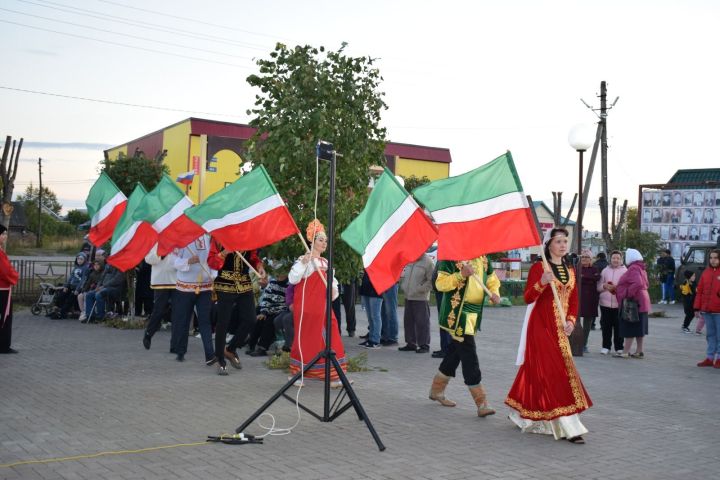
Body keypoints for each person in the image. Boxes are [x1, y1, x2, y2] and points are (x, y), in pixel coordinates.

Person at [506, 228, 592, 444]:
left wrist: (571, 321)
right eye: (558, 241)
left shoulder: (570, 269)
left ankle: (521, 410)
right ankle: (568, 426)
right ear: (549, 245)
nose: (563, 245)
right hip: (541, 327)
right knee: (557, 372)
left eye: (565, 241)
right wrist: (542, 282)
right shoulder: (539, 267)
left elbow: (573, 301)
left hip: (561, 330)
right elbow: (527, 297)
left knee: (539, 371)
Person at [428, 255, 501, 418]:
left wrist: (494, 293)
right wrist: (461, 274)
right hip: (457, 315)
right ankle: (481, 402)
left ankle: (436, 390)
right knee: (469, 356)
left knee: (455, 353)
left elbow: (492, 279)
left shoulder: (483, 258)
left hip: (473, 315)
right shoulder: (450, 258)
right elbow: (440, 284)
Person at [288, 219, 346, 386]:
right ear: (311, 241)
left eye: (325, 240)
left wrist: (334, 290)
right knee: (306, 339)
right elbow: (293, 278)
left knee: (331, 336)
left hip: (324, 307)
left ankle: (333, 375)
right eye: (320, 240)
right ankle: (298, 374)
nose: (324, 243)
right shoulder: (303, 261)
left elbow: (333, 284)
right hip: (308, 307)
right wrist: (305, 262)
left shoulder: (326, 263)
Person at [206, 239, 264, 375]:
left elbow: (254, 258)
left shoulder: (249, 235)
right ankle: (220, 359)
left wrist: (260, 268)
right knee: (223, 322)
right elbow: (212, 262)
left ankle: (231, 349)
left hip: (244, 283)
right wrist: (225, 252)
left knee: (251, 320)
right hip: (225, 283)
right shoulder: (219, 236)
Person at [170, 234, 215, 364]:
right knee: (184, 320)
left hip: (204, 285)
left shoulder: (207, 237)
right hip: (186, 286)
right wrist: (187, 261)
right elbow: (172, 261)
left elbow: (212, 258)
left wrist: (213, 275)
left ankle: (210, 355)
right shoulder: (180, 238)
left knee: (205, 321)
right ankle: (180, 351)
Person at [615, 248, 651, 359]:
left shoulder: (633, 268)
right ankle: (639, 351)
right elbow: (646, 284)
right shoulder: (641, 268)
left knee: (629, 327)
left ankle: (625, 351)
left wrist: (627, 293)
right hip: (642, 302)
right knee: (639, 329)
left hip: (634, 303)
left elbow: (638, 283)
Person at [142, 244, 177, 350]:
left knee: (177, 313)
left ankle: (175, 343)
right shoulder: (155, 242)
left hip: (177, 280)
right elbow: (148, 259)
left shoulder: (179, 241)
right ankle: (149, 333)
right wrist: (162, 253)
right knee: (159, 310)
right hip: (161, 280)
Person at [399, 252, 434, 353]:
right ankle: (411, 343)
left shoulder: (428, 262)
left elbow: (432, 280)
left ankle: (424, 345)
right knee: (408, 321)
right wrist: (404, 286)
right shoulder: (410, 259)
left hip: (420, 297)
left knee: (422, 322)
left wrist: (420, 289)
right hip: (408, 296)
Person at [694, 249, 720, 368]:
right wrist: (697, 307)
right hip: (707, 310)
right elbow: (700, 291)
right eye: (711, 258)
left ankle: (719, 358)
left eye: (715, 258)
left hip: (718, 311)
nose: (713, 260)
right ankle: (710, 358)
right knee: (710, 335)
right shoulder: (706, 272)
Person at [597, 250, 627, 355]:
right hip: (605, 303)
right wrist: (604, 286)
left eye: (618, 258)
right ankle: (606, 346)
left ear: (621, 259)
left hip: (619, 303)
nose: (615, 260)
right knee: (606, 326)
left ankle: (619, 347)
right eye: (614, 258)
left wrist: (617, 288)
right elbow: (599, 287)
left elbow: (626, 287)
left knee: (618, 326)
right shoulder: (605, 270)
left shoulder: (625, 271)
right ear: (610, 259)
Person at [0, 225, 20, 354]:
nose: (5, 236)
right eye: (3, 234)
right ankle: (3, 345)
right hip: (2, 289)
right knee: (5, 317)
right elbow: (5, 270)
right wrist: (15, 276)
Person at [578, 250, 600, 352]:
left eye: (587, 257)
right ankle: (573, 342)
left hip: (591, 299)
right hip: (579, 298)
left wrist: (584, 278)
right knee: (574, 322)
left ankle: (583, 344)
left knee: (587, 324)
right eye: (583, 257)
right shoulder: (576, 268)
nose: (584, 259)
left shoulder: (595, 269)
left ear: (591, 259)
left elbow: (596, 278)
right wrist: (589, 279)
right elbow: (576, 279)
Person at [57, 252, 89, 319]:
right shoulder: (76, 267)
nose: (79, 261)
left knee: (70, 298)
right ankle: (60, 310)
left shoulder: (85, 268)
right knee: (62, 295)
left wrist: (77, 289)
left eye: (81, 259)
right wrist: (66, 286)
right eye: (78, 259)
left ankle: (63, 312)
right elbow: (71, 277)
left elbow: (83, 280)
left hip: (78, 288)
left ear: (84, 260)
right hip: (71, 285)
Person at [358, 270, 383, 349]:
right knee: (370, 316)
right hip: (366, 288)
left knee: (375, 316)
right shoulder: (368, 260)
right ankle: (371, 338)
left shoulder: (380, 261)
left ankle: (375, 340)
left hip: (376, 289)